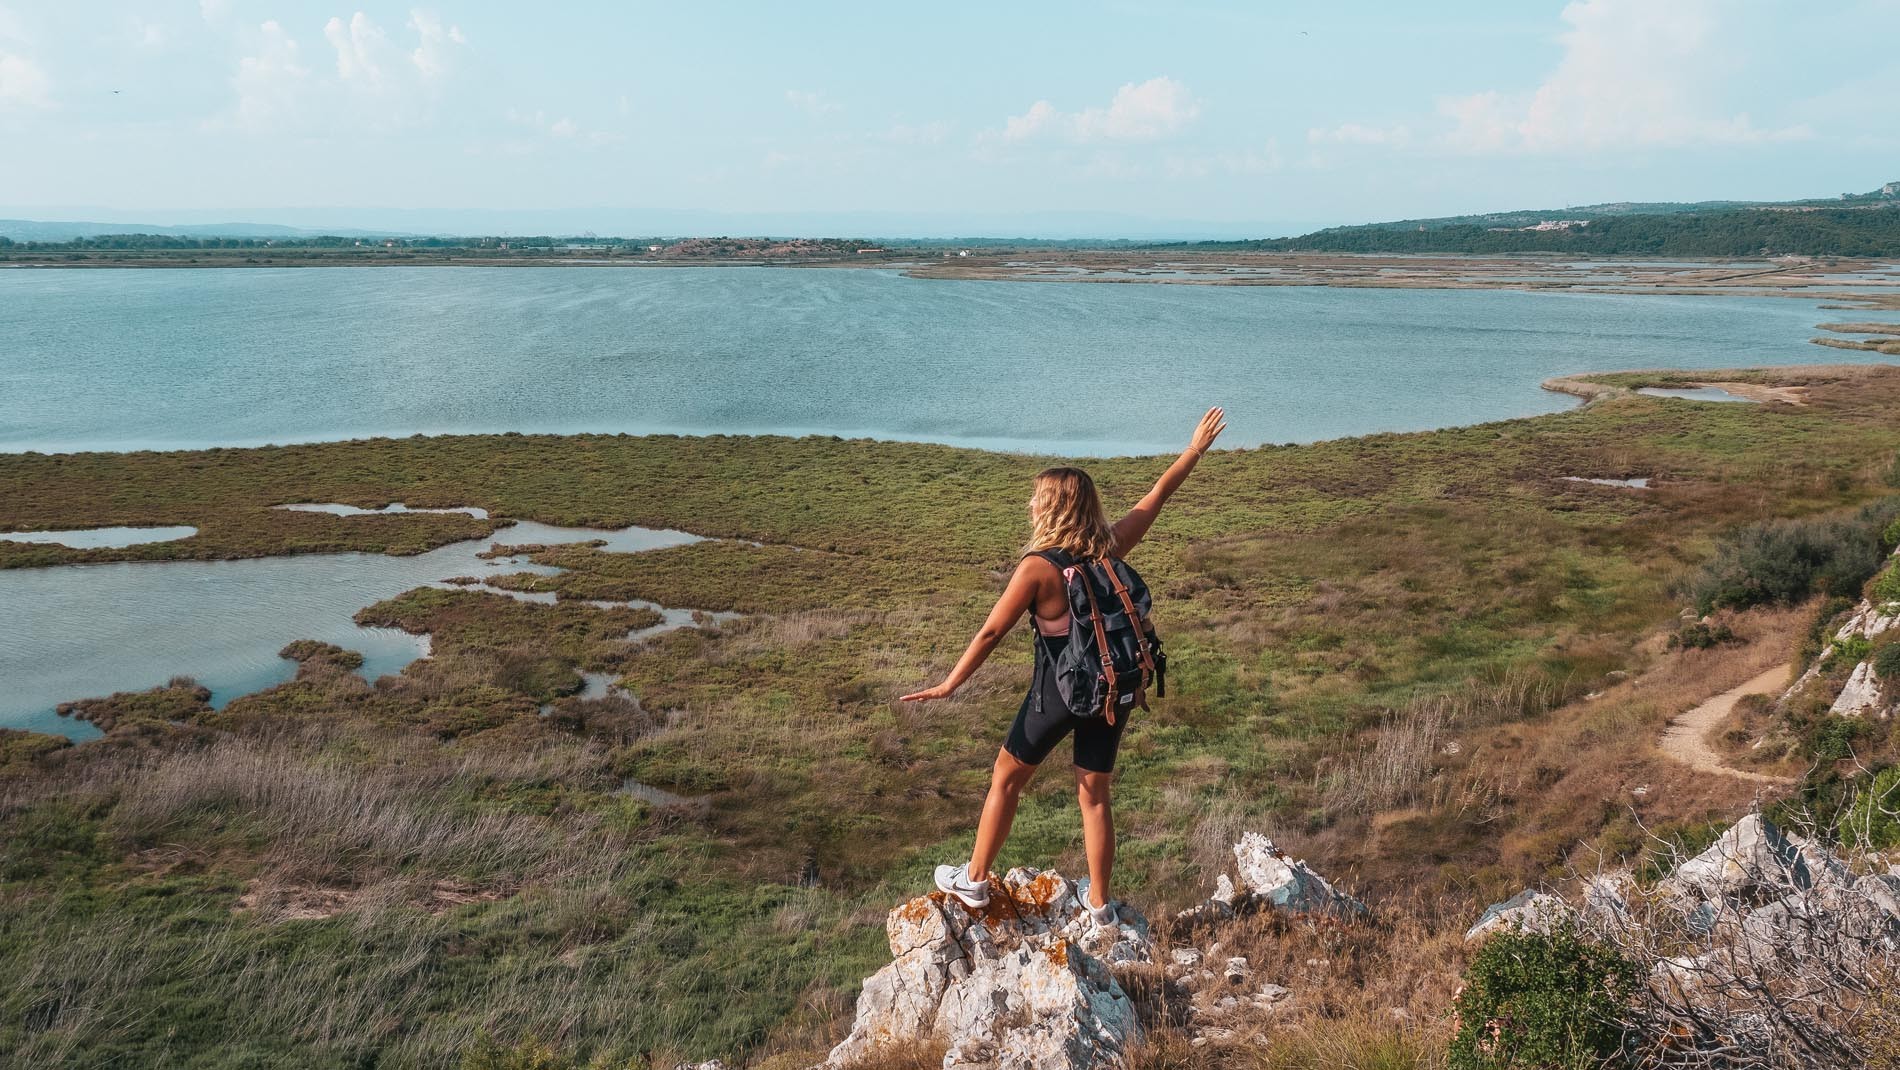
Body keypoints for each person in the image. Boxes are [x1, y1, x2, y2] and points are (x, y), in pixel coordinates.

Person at [901, 406, 1227, 926]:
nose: (1030, 503)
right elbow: (1156, 498)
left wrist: (949, 684)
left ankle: (976, 881)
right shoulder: (1109, 548)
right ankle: (1099, 906)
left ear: (1050, 508)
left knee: (1006, 778)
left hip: (1057, 694)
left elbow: (990, 632)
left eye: (1037, 497)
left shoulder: (1038, 567)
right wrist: (1193, 450)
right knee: (1094, 794)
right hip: (1108, 692)